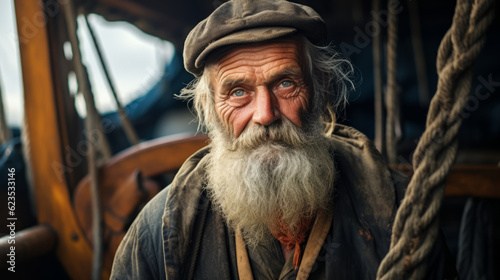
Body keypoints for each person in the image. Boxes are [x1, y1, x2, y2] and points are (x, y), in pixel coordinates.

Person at [111, 0, 457, 279]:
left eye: (285, 84)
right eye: (238, 92)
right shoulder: (159, 232)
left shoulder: (398, 209)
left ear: (319, 89)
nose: (265, 114)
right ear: (210, 109)